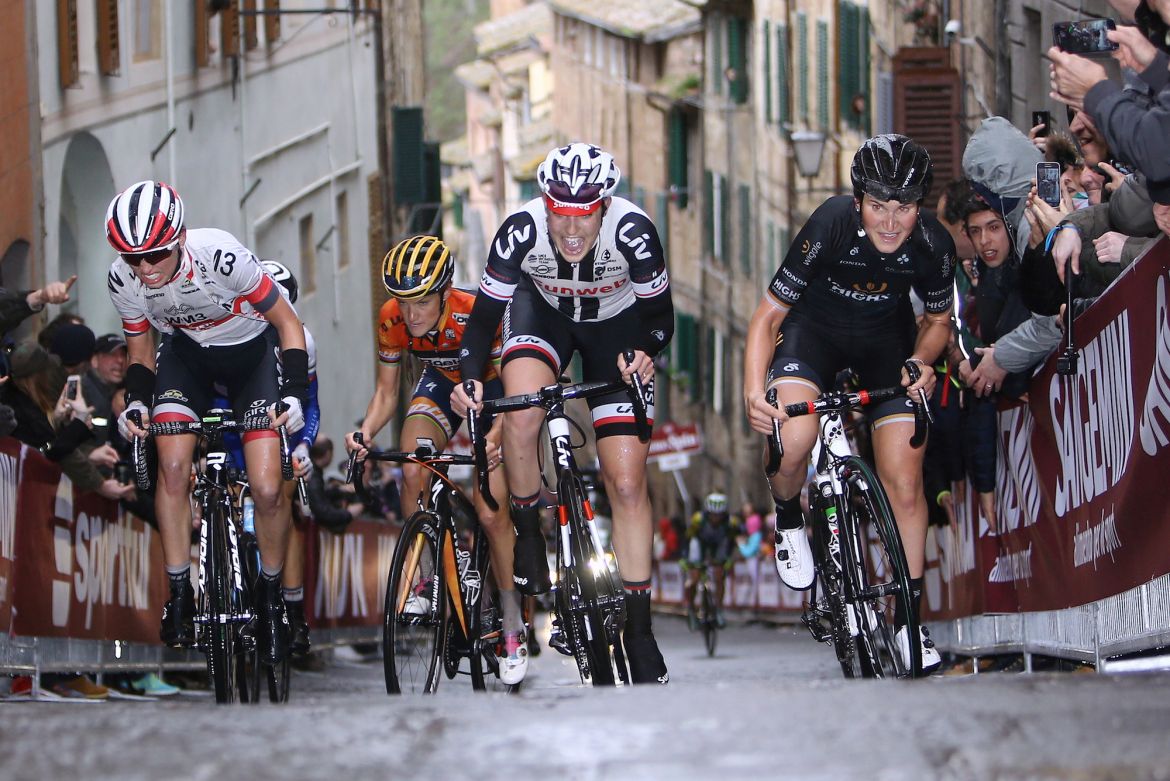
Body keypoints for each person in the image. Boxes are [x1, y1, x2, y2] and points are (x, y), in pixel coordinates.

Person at [452, 142, 675, 684]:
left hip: (616, 327)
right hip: (542, 315)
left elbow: (661, 319)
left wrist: (646, 351)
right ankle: (529, 532)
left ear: (604, 208)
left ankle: (640, 630)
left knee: (625, 483)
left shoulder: (635, 233)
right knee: (523, 412)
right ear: (544, 205)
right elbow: (481, 324)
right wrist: (467, 384)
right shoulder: (520, 231)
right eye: (560, 216)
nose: (572, 232)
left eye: (584, 217)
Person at [743, 135, 953, 674]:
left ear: (918, 208)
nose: (889, 221)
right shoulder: (830, 223)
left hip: (886, 343)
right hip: (813, 335)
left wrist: (924, 361)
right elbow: (768, 318)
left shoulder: (932, 243)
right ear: (858, 200)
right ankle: (789, 513)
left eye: (903, 208)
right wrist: (752, 391)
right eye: (878, 205)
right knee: (794, 441)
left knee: (904, 481)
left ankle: (907, 621)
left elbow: (935, 323)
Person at [107, 180, 307, 665]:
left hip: (250, 360)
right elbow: (140, 352)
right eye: (133, 259)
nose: (145, 268)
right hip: (187, 361)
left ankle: (271, 596)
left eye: (154, 254)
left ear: (178, 239)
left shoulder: (220, 254)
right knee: (173, 466)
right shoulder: (123, 278)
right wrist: (136, 404)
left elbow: (288, 324)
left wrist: (295, 392)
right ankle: (180, 593)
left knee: (265, 489)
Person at [344, 235, 529, 685]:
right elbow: (388, 392)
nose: (411, 315)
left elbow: (514, 383)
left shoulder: (474, 309)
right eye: (403, 303)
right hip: (442, 384)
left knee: (491, 510)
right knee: (413, 467)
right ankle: (427, 577)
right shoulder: (393, 318)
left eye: (422, 302)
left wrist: (497, 436)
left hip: (494, 387)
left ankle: (510, 622)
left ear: (444, 293)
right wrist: (365, 432)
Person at [683, 493, 735, 629]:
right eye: (712, 514)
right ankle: (691, 609)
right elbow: (688, 539)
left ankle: (718, 609)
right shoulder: (698, 520)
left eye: (719, 515)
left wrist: (727, 559)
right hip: (698, 543)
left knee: (719, 576)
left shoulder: (730, 522)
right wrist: (685, 559)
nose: (715, 518)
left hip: (718, 544)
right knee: (694, 578)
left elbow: (731, 542)